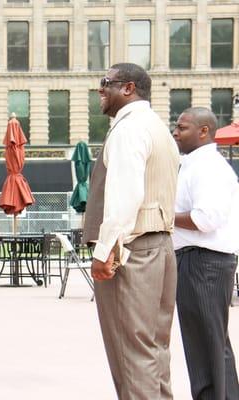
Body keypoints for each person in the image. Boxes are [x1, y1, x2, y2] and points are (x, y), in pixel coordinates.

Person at [82, 63, 180, 399]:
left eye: (105, 83)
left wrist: (104, 251)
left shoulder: (128, 129)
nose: (100, 91)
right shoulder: (158, 128)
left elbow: (125, 196)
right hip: (161, 247)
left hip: (132, 252)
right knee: (154, 351)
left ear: (128, 88)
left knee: (131, 357)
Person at [172, 107, 239, 399]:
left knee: (207, 345)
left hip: (203, 262)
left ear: (204, 131)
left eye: (182, 127)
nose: (175, 132)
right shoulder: (193, 164)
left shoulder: (208, 167)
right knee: (207, 344)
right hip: (199, 261)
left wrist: (162, 215)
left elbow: (204, 219)